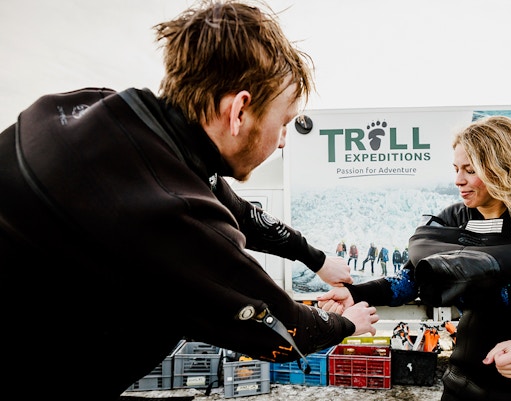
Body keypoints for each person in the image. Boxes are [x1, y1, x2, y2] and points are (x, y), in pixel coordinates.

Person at [0, 1, 378, 399]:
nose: (283, 140)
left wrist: (315, 259)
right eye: (283, 122)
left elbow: (242, 213)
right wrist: (349, 323)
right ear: (239, 112)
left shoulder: (104, 114)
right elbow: (285, 330)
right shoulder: (171, 212)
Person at [318, 115, 511, 401]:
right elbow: (411, 280)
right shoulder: (453, 220)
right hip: (464, 381)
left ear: (503, 167)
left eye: (470, 170)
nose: (458, 180)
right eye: (456, 169)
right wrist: (356, 293)